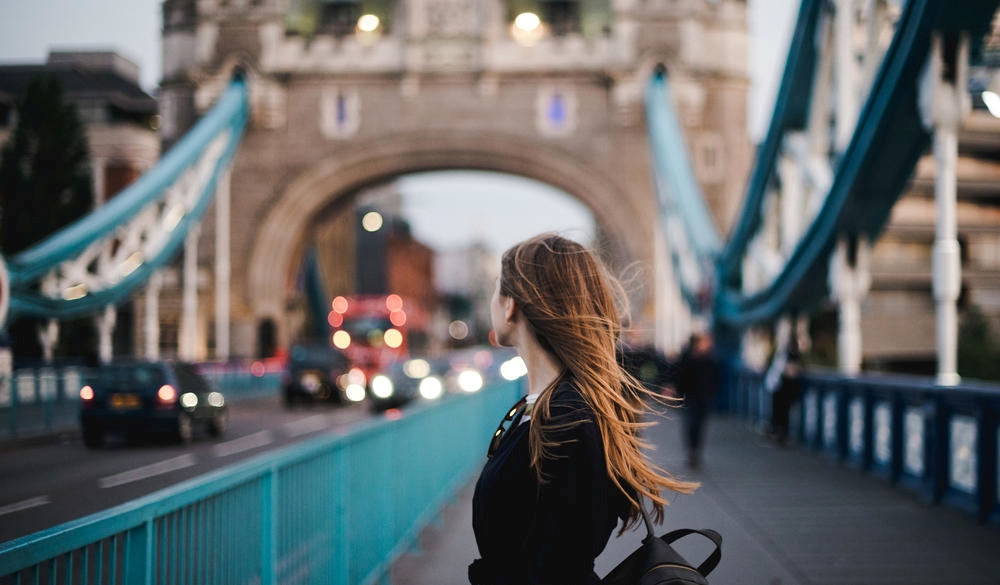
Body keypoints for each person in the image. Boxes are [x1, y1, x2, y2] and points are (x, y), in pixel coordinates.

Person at [470, 234, 698, 585]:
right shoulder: (549, 408)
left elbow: (561, 566)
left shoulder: (569, 420)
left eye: (496, 289)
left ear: (510, 304)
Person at [674, 332, 718, 469]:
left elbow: (715, 378)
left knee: (700, 425)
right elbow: (680, 376)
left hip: (703, 397)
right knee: (692, 423)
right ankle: (692, 451)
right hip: (690, 396)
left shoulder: (709, 359)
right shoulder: (687, 358)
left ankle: (695, 451)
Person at [768, 348, 802, 445]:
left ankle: (781, 434)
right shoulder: (783, 354)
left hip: (786, 388)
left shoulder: (790, 354)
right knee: (781, 411)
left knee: (784, 412)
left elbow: (793, 371)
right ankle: (779, 433)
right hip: (781, 387)